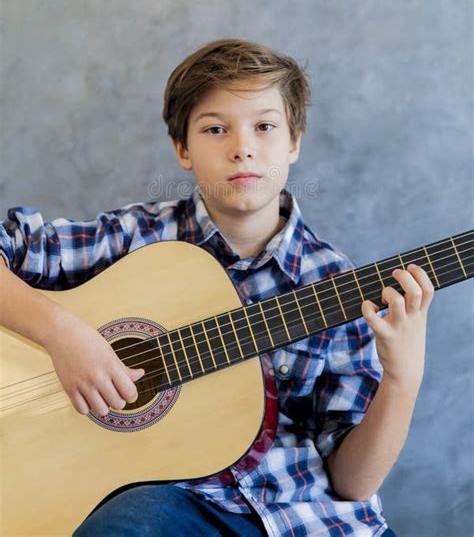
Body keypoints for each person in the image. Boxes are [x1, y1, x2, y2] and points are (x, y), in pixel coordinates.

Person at [0, 38, 433, 536]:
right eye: (215, 128)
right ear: (182, 148)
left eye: (265, 126)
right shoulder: (134, 239)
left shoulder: (336, 284)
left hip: (306, 516)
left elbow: (354, 483)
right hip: (174, 509)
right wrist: (61, 334)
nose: (242, 145)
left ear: (293, 143)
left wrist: (402, 379)